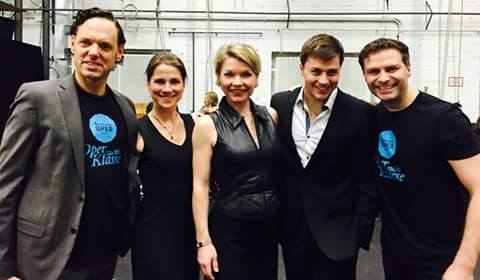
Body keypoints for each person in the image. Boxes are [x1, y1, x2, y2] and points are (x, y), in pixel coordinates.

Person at [0, 7, 140, 280]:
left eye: (104, 45)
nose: (94, 52)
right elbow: (6, 186)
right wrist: (4, 270)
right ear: (72, 43)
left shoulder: (125, 107)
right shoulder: (37, 98)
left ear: (119, 52)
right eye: (86, 42)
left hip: (103, 255)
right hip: (48, 257)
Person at [358, 37, 480, 280]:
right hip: (395, 256)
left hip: (442, 260)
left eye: (391, 68)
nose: (382, 78)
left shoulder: (446, 119)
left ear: (408, 68)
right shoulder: (376, 116)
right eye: (373, 71)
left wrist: (465, 264)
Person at [270, 33, 378, 280]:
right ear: (302, 68)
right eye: (315, 71)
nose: (323, 80)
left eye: (331, 72)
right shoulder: (280, 104)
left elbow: (366, 178)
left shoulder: (360, 113)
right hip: (293, 227)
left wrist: (360, 233)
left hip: (339, 232)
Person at [192, 43, 280, 280]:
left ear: (257, 78)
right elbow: (200, 185)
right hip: (229, 229)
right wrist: (203, 242)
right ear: (218, 79)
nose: (238, 82)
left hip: (267, 228)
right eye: (229, 74)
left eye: (246, 74)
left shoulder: (270, 116)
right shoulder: (207, 125)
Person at [131, 52, 198, 279]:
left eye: (174, 81)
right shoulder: (138, 130)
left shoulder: (196, 124)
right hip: (152, 232)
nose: (167, 89)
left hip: (189, 230)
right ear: (149, 84)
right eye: (159, 81)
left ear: (184, 84)